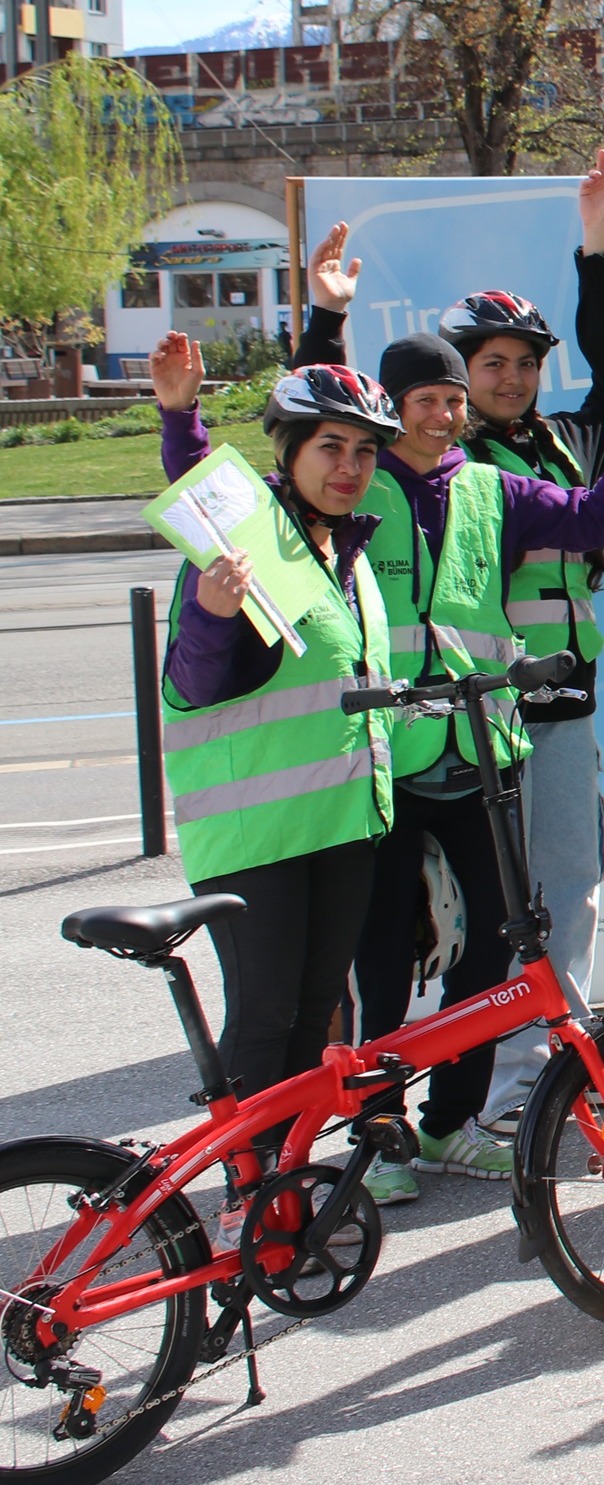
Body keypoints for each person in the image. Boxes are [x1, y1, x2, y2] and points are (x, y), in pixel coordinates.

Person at [259, 266, 604, 1199]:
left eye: (452, 400)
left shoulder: (492, 486)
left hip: (483, 756)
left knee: (493, 949)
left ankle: (450, 1122)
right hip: (385, 762)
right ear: (390, 409)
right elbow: (278, 461)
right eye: (426, 401)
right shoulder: (350, 491)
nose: (443, 416)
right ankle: (379, 1132)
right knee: (377, 960)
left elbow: (601, 516)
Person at [149, 350, 402, 1236]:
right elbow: (196, 677)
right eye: (330, 447)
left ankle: (284, 1193)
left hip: (339, 824)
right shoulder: (257, 553)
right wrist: (214, 616)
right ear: (291, 451)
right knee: (264, 1021)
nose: (349, 467)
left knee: (311, 1023)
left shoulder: (347, 552)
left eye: (365, 452)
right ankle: (244, 1201)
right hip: (257, 837)